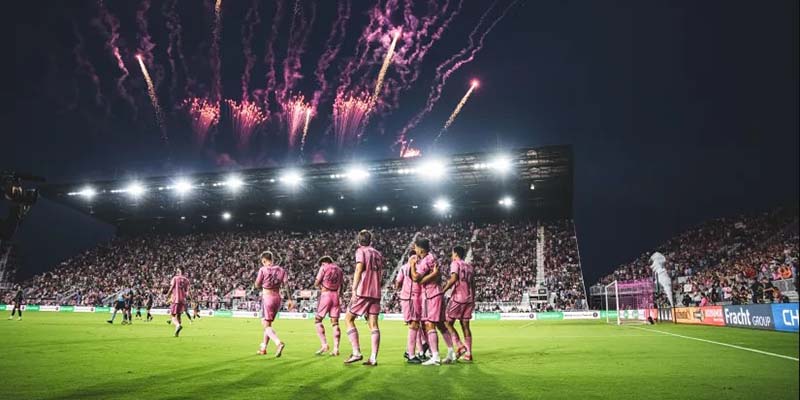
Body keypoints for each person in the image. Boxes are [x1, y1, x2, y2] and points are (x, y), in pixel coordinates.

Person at [410, 237, 455, 366]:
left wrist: (413, 266)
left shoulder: (426, 260)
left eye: (416, 247)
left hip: (431, 295)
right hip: (437, 293)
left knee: (429, 324)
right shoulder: (432, 257)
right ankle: (451, 353)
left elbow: (416, 278)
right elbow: (435, 275)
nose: (415, 249)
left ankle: (435, 356)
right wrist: (433, 275)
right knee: (441, 325)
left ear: (421, 249)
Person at [343, 230, 384, 366]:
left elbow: (359, 269)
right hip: (376, 292)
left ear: (359, 241)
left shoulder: (361, 251)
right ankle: (373, 358)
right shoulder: (378, 254)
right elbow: (381, 273)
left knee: (348, 318)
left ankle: (356, 352)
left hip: (363, 291)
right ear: (370, 240)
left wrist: (354, 289)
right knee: (373, 324)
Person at [442, 245, 474, 362]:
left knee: (447, 322)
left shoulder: (455, 263)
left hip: (458, 298)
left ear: (455, 254)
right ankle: (469, 353)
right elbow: (473, 284)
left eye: (452, 253)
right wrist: (473, 299)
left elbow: (454, 278)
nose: (451, 256)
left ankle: (460, 346)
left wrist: (443, 290)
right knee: (465, 326)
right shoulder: (470, 267)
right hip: (469, 299)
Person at [254, 251, 288, 357]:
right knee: (268, 324)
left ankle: (278, 343)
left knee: (265, 325)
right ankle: (263, 348)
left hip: (267, 297)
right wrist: (290, 299)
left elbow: (257, 284)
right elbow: (286, 284)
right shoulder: (281, 270)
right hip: (277, 298)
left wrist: (257, 285)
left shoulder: (263, 269)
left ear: (264, 260)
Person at [313, 256, 344, 356]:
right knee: (335, 323)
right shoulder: (339, 270)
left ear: (324, 262)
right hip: (336, 295)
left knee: (317, 320)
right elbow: (343, 285)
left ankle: (324, 345)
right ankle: (336, 349)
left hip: (326, 294)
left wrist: (320, 285)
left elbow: (316, 283)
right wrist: (340, 296)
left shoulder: (324, 268)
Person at [395, 259, 424, 361]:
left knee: (416, 324)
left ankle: (410, 351)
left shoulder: (403, 268)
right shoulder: (416, 266)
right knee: (414, 324)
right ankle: (411, 354)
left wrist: (401, 287)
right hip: (411, 297)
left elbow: (398, 282)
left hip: (411, 296)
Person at [166, 267, 191, 337]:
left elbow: (171, 288)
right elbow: (187, 291)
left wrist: (167, 296)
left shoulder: (175, 278)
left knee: (173, 316)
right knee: (179, 315)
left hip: (176, 299)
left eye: (177, 270)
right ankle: (176, 333)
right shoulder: (186, 280)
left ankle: (178, 325)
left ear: (179, 271)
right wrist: (191, 299)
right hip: (182, 300)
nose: (176, 271)